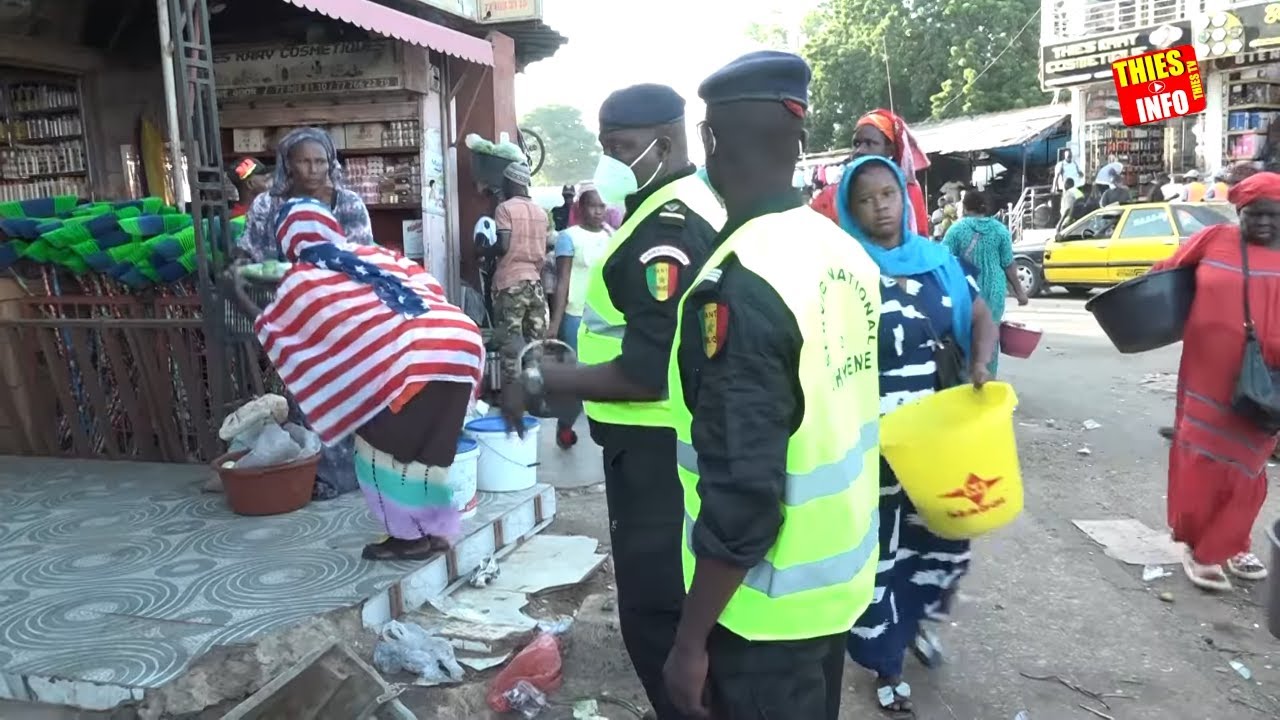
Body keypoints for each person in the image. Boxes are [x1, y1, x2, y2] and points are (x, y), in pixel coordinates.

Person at [659, 51, 882, 720]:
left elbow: (743, 491)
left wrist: (690, 641)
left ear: (710, 141)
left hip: (758, 614)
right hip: (834, 590)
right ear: (798, 141)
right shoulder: (841, 250)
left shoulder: (740, 284)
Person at [503, 83, 724, 720]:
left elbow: (646, 373)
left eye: (621, 148)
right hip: (650, 445)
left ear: (668, 141)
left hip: (656, 449)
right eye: (605, 149)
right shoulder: (664, 209)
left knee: (656, 620)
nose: (609, 164)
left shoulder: (668, 228)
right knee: (664, 616)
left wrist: (544, 381)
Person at [232, 199, 484, 560]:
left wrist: (240, 296)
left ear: (287, 240)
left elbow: (282, 334)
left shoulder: (301, 276)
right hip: (460, 344)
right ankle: (436, 532)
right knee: (430, 454)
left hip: (412, 361)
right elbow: (431, 290)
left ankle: (408, 538)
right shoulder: (379, 254)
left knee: (378, 454)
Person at [836, 154, 999, 713]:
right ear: (849, 208)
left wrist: (980, 365)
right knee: (881, 546)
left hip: (938, 435)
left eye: (889, 194)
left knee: (939, 534)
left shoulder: (937, 260)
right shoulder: (841, 267)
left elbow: (980, 316)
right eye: (866, 198)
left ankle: (915, 626)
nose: (880, 206)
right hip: (873, 439)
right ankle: (884, 660)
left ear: (904, 199)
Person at [1148, 172, 1280, 590]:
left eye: (1274, 215)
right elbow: (1164, 274)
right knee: (1203, 456)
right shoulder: (1213, 240)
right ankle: (1197, 544)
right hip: (1208, 371)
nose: (1264, 223)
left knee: (1249, 463)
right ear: (1239, 212)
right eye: (1254, 215)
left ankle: (1230, 543)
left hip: (1268, 379)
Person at [241, 127, 374, 262]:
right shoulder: (266, 204)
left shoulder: (348, 203)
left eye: (320, 161)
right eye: (304, 162)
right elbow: (248, 256)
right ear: (288, 164)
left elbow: (361, 258)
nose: (313, 170)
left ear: (329, 164)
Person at [547, 185, 613, 449]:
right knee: (577, 377)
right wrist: (555, 323)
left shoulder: (611, 235)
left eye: (601, 206)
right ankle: (565, 428)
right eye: (592, 206)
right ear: (581, 208)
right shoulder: (568, 237)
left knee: (605, 376)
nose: (598, 212)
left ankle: (606, 431)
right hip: (575, 316)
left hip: (605, 318)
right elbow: (562, 282)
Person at [945, 188, 1029, 375]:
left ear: (965, 208)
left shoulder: (956, 230)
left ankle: (963, 380)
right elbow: (1008, 265)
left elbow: (944, 261)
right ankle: (986, 380)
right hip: (994, 292)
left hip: (965, 293)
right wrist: (1020, 292)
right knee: (989, 337)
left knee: (963, 336)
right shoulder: (1000, 230)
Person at [809, 109, 931, 234]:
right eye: (856, 144)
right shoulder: (830, 196)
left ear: (890, 150)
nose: (859, 150)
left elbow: (920, 236)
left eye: (869, 143)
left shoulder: (909, 190)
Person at [492, 161, 550, 387]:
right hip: (535, 284)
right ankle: (533, 393)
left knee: (511, 344)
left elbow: (504, 245)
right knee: (534, 347)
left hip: (511, 283)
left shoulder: (505, 209)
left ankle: (513, 397)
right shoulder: (541, 213)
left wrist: (485, 250)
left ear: (511, 182)